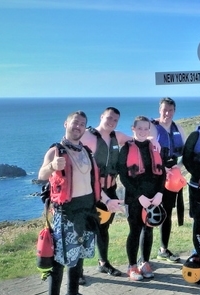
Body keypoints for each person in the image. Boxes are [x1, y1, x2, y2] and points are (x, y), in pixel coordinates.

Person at [38, 110, 101, 295]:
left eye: (83, 124)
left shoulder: (86, 151)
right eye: (75, 123)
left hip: (87, 210)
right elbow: (41, 176)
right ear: (66, 123)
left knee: (80, 255)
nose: (78, 127)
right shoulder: (56, 150)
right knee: (60, 259)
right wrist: (52, 166)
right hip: (66, 212)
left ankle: (73, 293)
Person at [78, 107, 131, 283]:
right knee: (84, 230)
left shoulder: (118, 137)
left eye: (115, 120)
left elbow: (138, 140)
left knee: (103, 228)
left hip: (110, 191)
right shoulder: (87, 136)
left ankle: (104, 262)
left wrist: (152, 135)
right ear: (101, 117)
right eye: (109, 118)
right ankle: (77, 271)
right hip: (90, 192)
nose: (111, 122)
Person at [117, 116, 166, 281]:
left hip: (154, 197)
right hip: (134, 198)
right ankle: (131, 266)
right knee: (135, 230)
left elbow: (162, 173)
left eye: (146, 129)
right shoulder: (126, 149)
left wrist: (159, 193)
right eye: (140, 129)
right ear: (133, 129)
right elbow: (123, 176)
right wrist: (139, 196)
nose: (143, 132)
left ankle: (144, 262)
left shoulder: (155, 147)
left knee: (149, 229)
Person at [149, 97, 187, 263]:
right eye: (164, 110)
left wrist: (178, 168)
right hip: (155, 177)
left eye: (170, 110)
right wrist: (161, 169)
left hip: (172, 177)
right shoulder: (152, 127)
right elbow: (146, 152)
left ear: (174, 111)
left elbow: (186, 153)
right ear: (159, 110)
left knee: (167, 213)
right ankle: (143, 257)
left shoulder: (178, 128)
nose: (167, 113)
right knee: (150, 213)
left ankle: (163, 249)